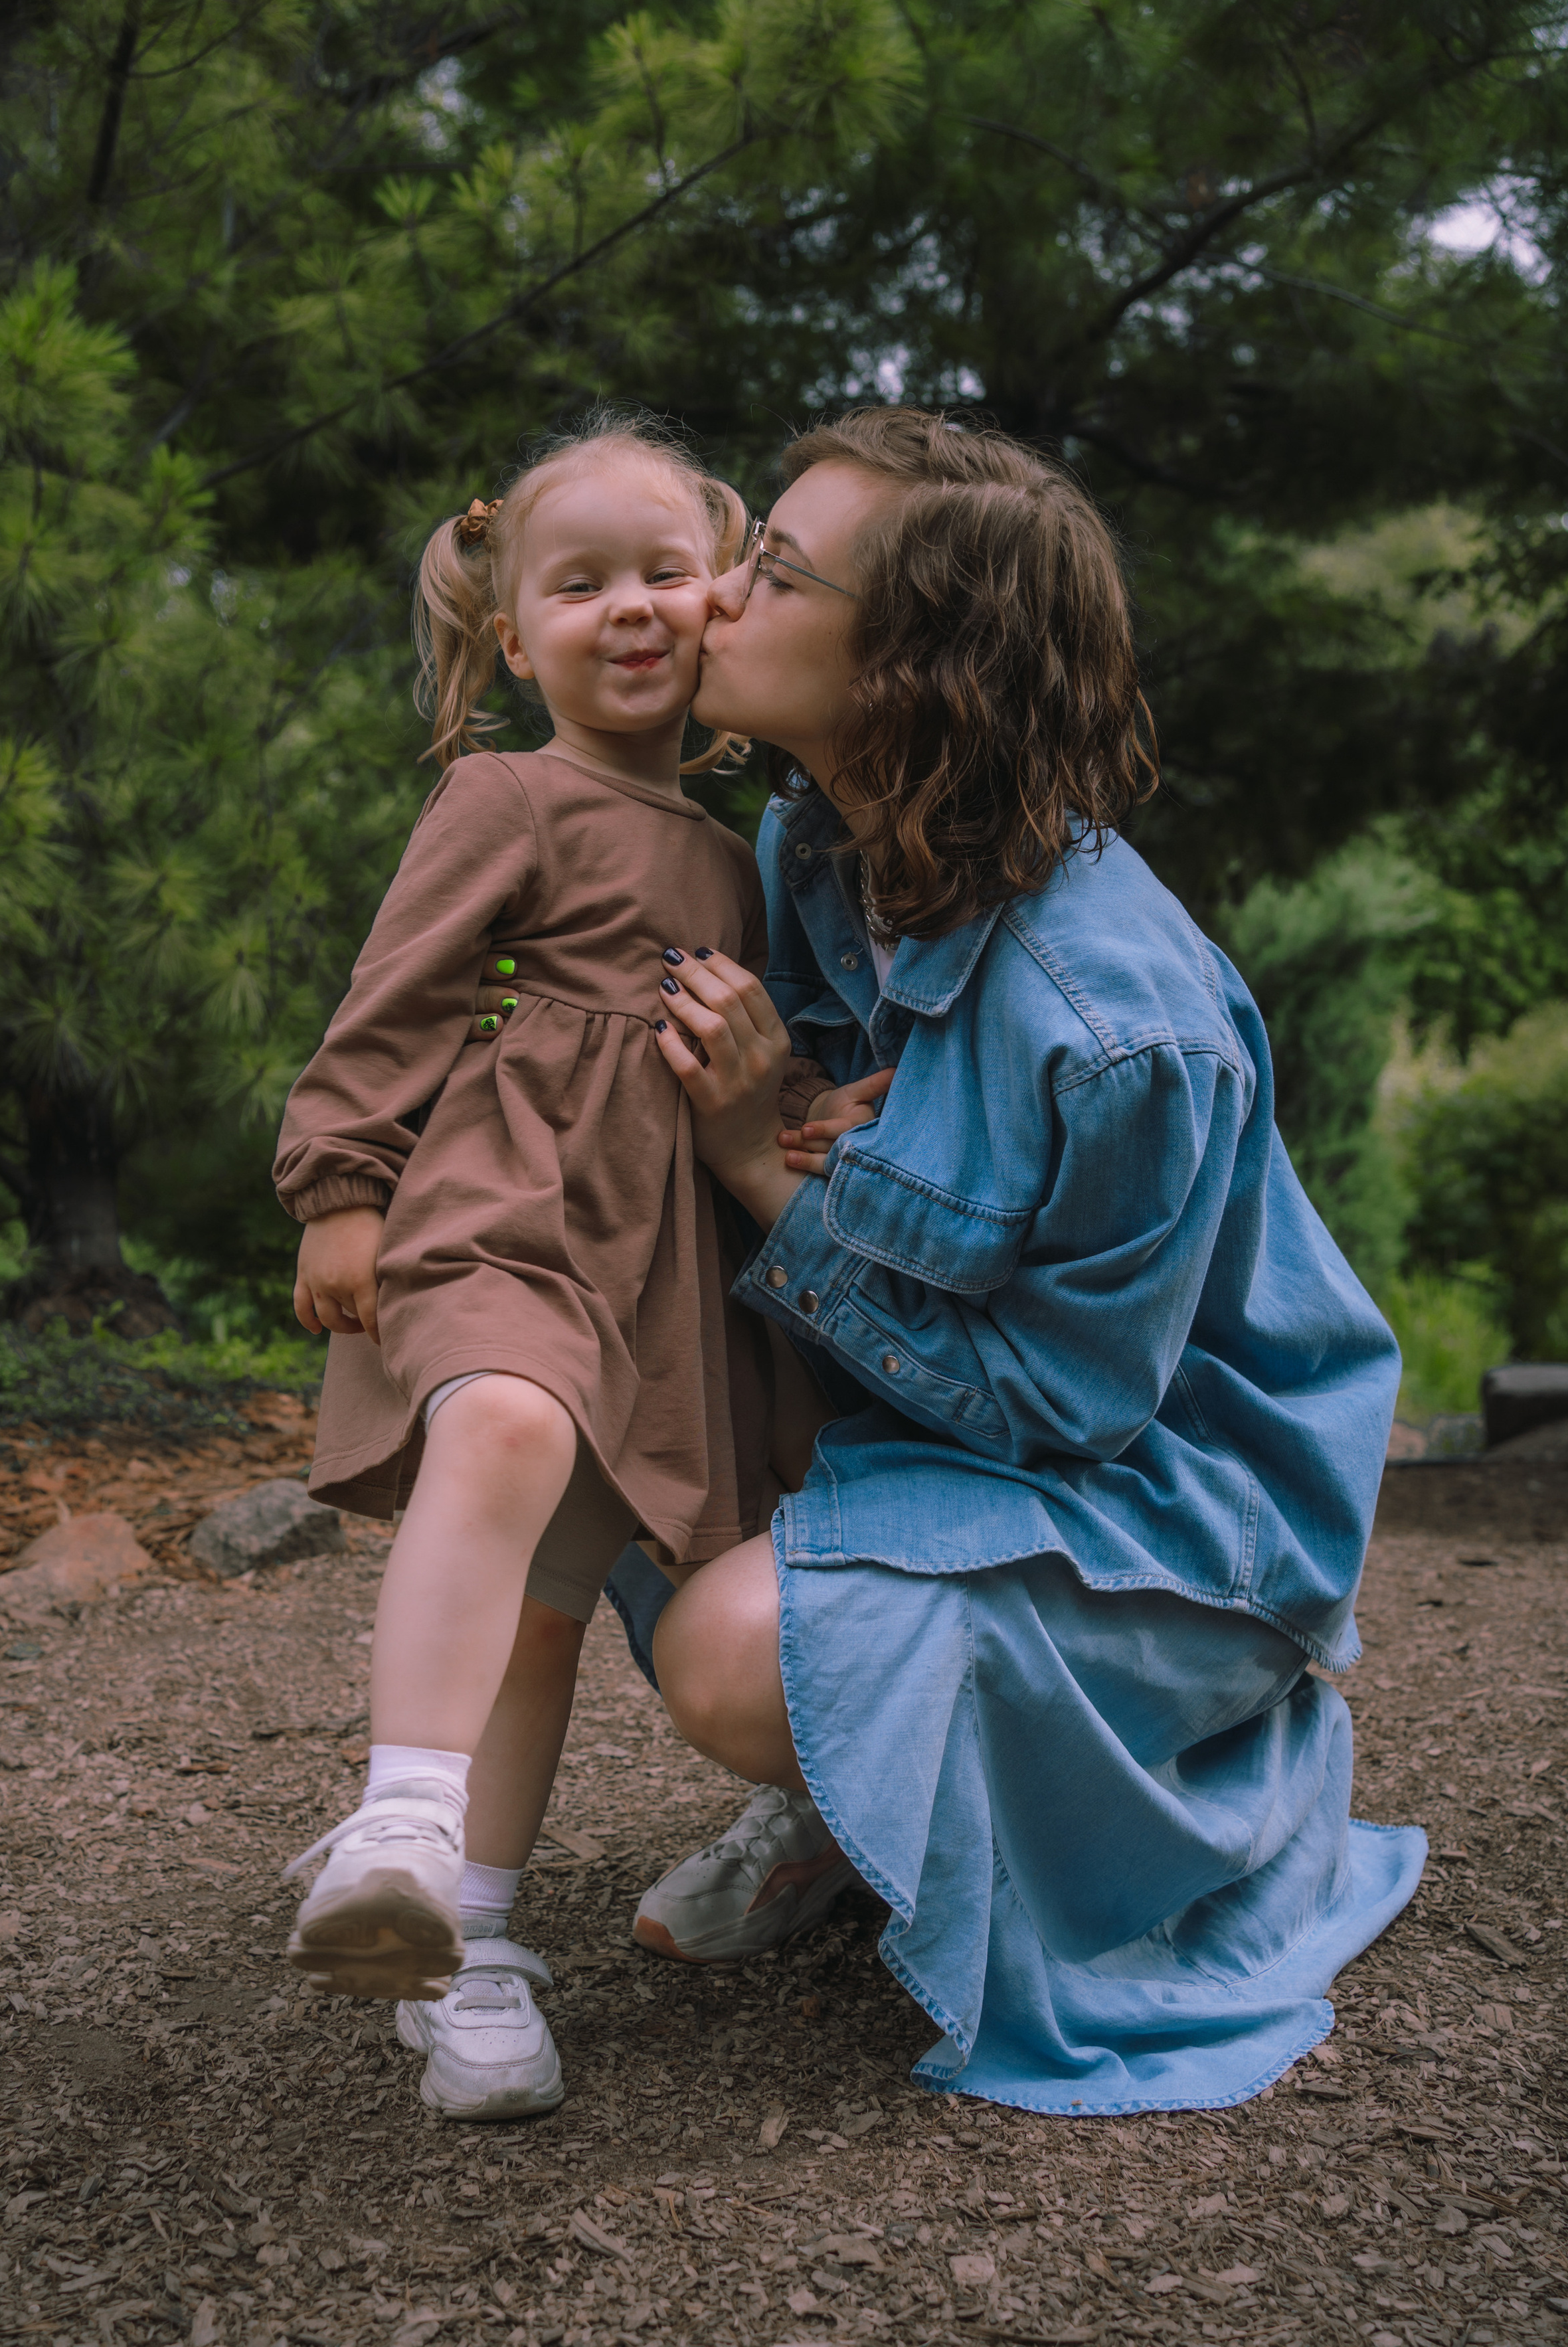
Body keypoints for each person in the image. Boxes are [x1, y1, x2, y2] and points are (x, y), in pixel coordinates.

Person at [610, 408, 1425, 2115]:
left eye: (772, 570)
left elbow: (1066, 1415)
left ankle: (1198, 1768)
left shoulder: (1114, 1024)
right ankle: (881, 1775)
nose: (714, 596)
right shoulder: (816, 848)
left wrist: (764, 1161)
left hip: (1170, 1512)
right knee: (593, 1418)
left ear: (910, 671)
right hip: (962, 1429)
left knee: (727, 1651)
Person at [271, 412, 873, 2121]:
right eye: (578, 582)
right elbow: (393, 999)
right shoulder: (504, 793)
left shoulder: (739, 852)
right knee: (509, 1434)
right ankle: (395, 1811)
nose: (626, 608)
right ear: (510, 630)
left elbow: (718, 1054)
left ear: (723, 605)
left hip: (643, 1276)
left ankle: (451, 1935)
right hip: (501, 1211)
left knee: (541, 1621)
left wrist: (822, 1105)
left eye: (663, 574)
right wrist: (339, 1182)